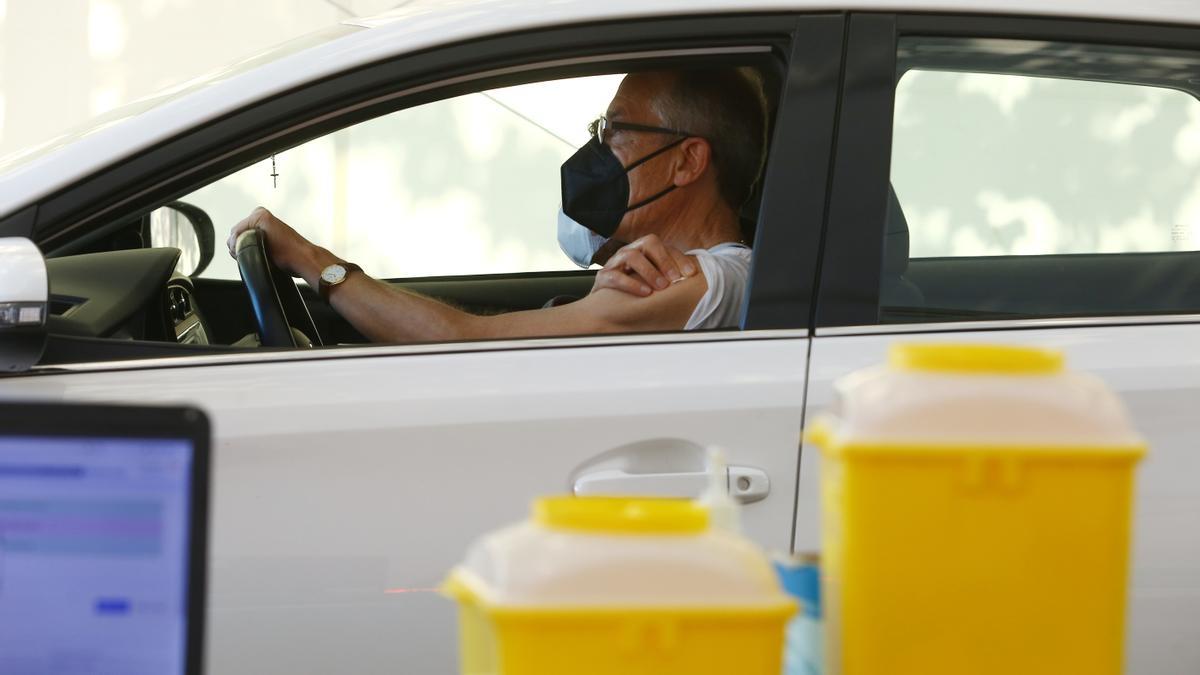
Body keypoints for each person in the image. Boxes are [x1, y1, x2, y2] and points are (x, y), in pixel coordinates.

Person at [226, 68, 767, 343]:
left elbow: (464, 342)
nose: (596, 152)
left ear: (687, 162)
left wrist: (309, 258)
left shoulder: (713, 281)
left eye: (617, 130)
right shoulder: (686, 276)